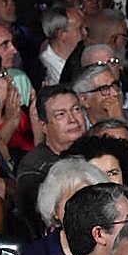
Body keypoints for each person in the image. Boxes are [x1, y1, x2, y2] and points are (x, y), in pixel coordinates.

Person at [16, 158, 108, 255]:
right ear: (55, 210)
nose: (84, 209)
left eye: (90, 200)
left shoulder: (113, 247)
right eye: (74, 201)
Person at [14, 86, 87, 232]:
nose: (72, 119)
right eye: (61, 114)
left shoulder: (98, 149)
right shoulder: (34, 166)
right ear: (44, 126)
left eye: (76, 109)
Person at [36, 7, 85, 88]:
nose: (85, 33)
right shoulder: (44, 71)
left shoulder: (82, 54)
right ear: (61, 34)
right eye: (80, 29)